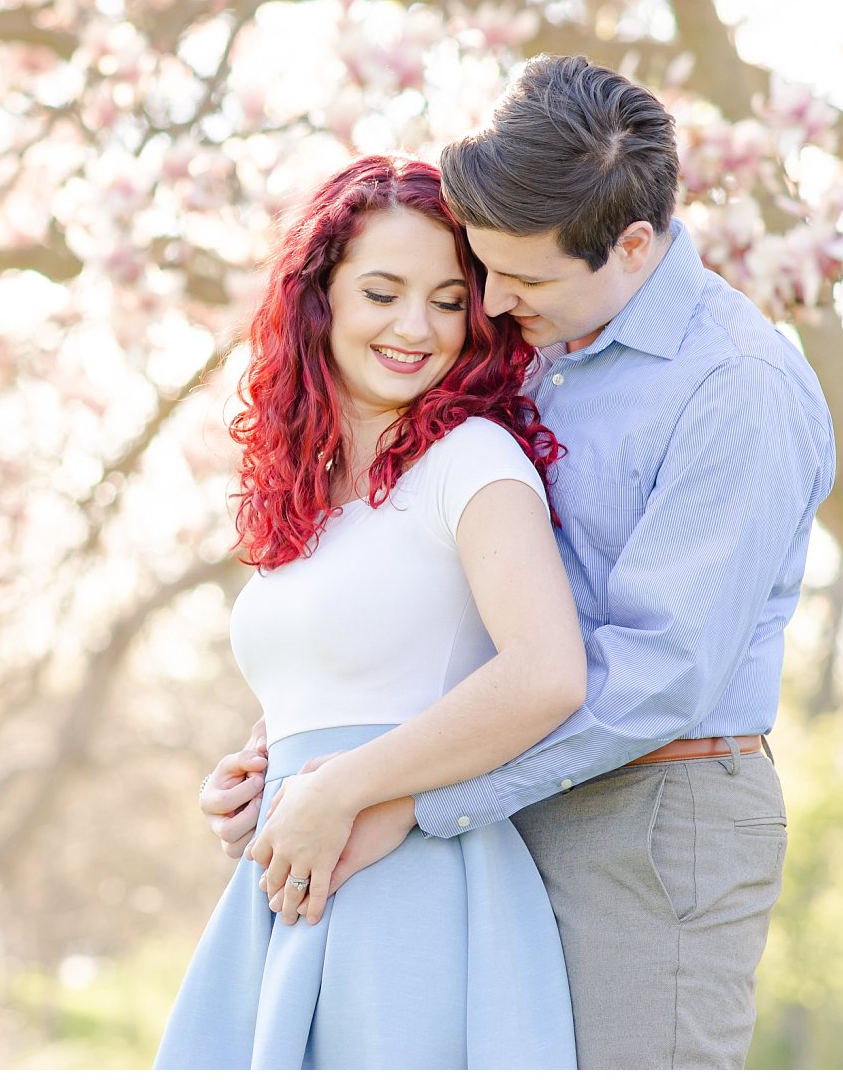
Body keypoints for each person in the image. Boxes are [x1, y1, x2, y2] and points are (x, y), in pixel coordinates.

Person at [201, 56, 838, 1069]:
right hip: (495, 797)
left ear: (632, 245)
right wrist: (296, 748)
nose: (489, 301)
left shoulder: (736, 389)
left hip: (645, 816)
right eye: (483, 274)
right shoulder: (540, 332)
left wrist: (398, 796)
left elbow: (656, 675)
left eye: (519, 278)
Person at [154, 153, 585, 1070]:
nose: (415, 328)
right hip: (300, 875)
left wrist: (337, 788)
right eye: (382, 293)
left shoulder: (473, 460)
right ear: (323, 300)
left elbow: (546, 673)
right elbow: (354, 668)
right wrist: (262, 772)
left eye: (445, 300)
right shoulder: (309, 497)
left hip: (414, 884)